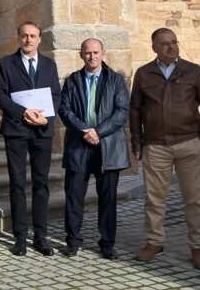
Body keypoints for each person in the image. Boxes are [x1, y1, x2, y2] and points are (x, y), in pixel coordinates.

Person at [130, 28, 200, 270]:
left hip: (190, 143)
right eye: (165, 44)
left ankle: (198, 246)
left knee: (195, 199)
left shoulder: (193, 70)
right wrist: (137, 142)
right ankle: (154, 242)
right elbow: (135, 110)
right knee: (154, 199)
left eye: (174, 42)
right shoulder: (144, 73)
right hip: (156, 145)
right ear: (154, 48)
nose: (171, 47)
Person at [0, 21, 61, 257]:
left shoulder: (49, 65)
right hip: (16, 129)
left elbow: (56, 95)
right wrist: (23, 112)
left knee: (41, 183)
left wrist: (45, 118)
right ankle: (20, 237)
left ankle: (41, 236)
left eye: (33, 36)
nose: (28, 40)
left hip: (42, 130)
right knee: (18, 183)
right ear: (19, 37)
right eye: (24, 35)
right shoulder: (6, 63)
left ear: (39, 39)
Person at [58, 38, 130, 260]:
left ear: (102, 53)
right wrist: (85, 131)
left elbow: (121, 111)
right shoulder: (72, 80)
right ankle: (73, 241)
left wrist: (98, 132)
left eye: (96, 52)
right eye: (88, 53)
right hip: (78, 146)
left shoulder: (116, 80)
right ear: (81, 54)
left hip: (107, 147)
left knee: (108, 199)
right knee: (74, 197)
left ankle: (107, 244)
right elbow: (65, 110)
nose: (92, 56)